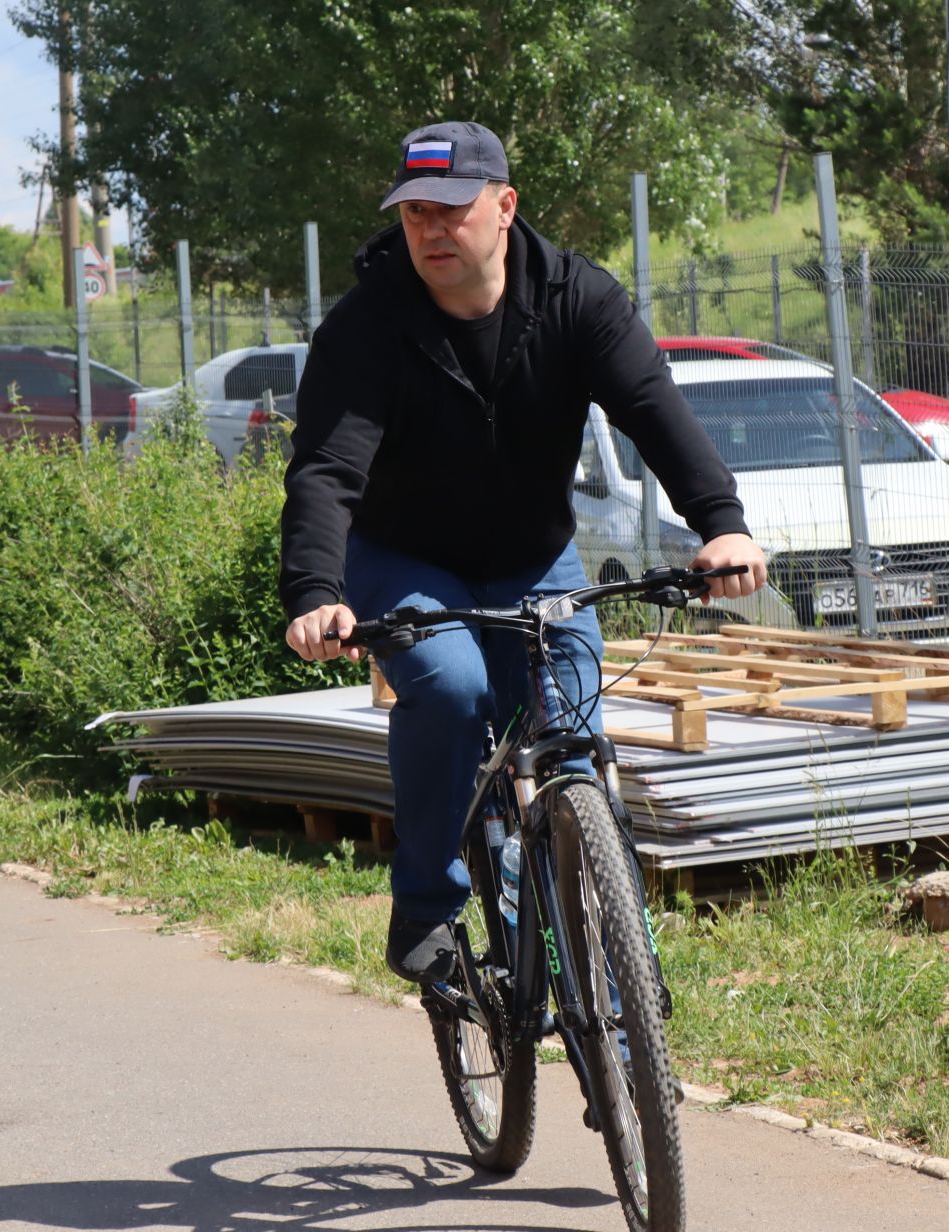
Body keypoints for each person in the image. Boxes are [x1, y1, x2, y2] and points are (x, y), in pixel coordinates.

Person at [280, 122, 768, 985]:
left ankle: (617, 1011)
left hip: (536, 559)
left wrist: (720, 523)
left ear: (504, 207)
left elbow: (653, 409)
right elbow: (328, 470)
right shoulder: (368, 327)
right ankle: (426, 910)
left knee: (572, 745)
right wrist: (317, 591)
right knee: (457, 691)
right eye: (414, 213)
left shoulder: (576, 298)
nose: (430, 230)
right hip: (406, 559)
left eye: (451, 211)